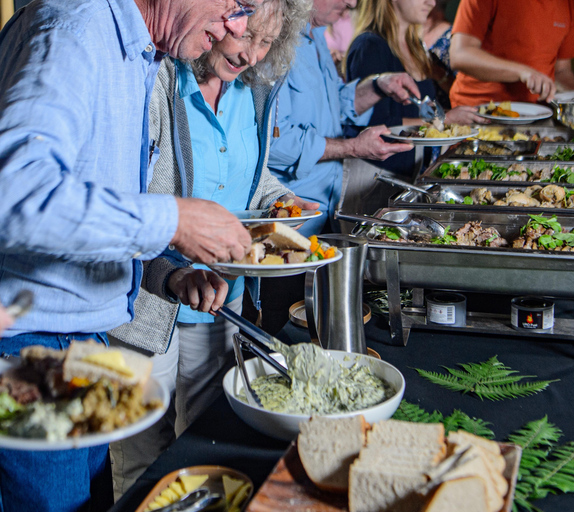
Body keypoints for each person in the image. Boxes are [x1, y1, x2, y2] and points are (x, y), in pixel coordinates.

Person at [0, 0, 259, 510]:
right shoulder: (75, 26)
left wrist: (166, 273)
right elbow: (16, 192)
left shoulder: (141, 52)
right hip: (31, 347)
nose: (239, 28)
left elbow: (87, 215)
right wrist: (175, 220)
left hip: (77, 344)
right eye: (234, 5)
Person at [108, 0, 315, 496]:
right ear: (224, 17)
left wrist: (281, 200)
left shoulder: (255, 91)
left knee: (209, 450)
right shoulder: (159, 76)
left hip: (223, 300)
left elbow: (251, 174)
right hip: (144, 299)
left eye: (267, 42)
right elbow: (126, 195)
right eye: (246, 37)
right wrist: (171, 267)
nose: (252, 54)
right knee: (141, 464)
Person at [261, 0, 420, 333]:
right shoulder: (273, 36)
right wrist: (351, 147)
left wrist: (378, 86)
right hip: (292, 224)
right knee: (286, 331)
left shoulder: (316, 34)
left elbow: (340, 104)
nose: (351, 4)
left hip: (331, 213)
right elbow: (274, 145)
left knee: (327, 329)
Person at [345, 0, 486, 176]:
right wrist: (445, 119)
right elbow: (376, 125)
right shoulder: (370, 46)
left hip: (412, 173)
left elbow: (417, 113)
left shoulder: (416, 47)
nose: (432, 3)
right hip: (375, 179)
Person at [448, 0, 574, 107]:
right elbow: (459, 55)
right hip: (479, 112)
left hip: (538, 115)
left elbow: (562, 71)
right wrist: (523, 72)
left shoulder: (570, 4)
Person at [421, 0, 453, 107]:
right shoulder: (404, 36)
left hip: (444, 114)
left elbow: (463, 91)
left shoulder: (453, 37)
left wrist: (439, 74)